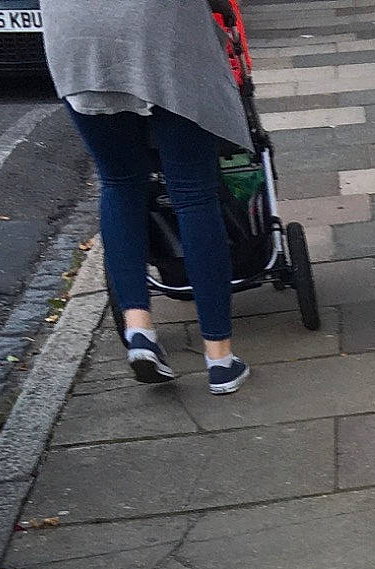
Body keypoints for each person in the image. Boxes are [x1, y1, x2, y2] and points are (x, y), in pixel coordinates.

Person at [42, 0, 250, 394]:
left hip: (74, 38)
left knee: (120, 183)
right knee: (193, 194)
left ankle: (139, 332)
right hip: (160, 33)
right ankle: (220, 359)